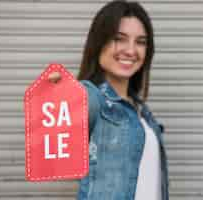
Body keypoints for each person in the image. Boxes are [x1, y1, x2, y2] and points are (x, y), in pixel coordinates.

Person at [48, 1, 169, 199]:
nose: (131, 50)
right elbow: (72, 108)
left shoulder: (141, 110)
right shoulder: (92, 98)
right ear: (99, 43)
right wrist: (57, 95)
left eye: (140, 41)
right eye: (119, 39)